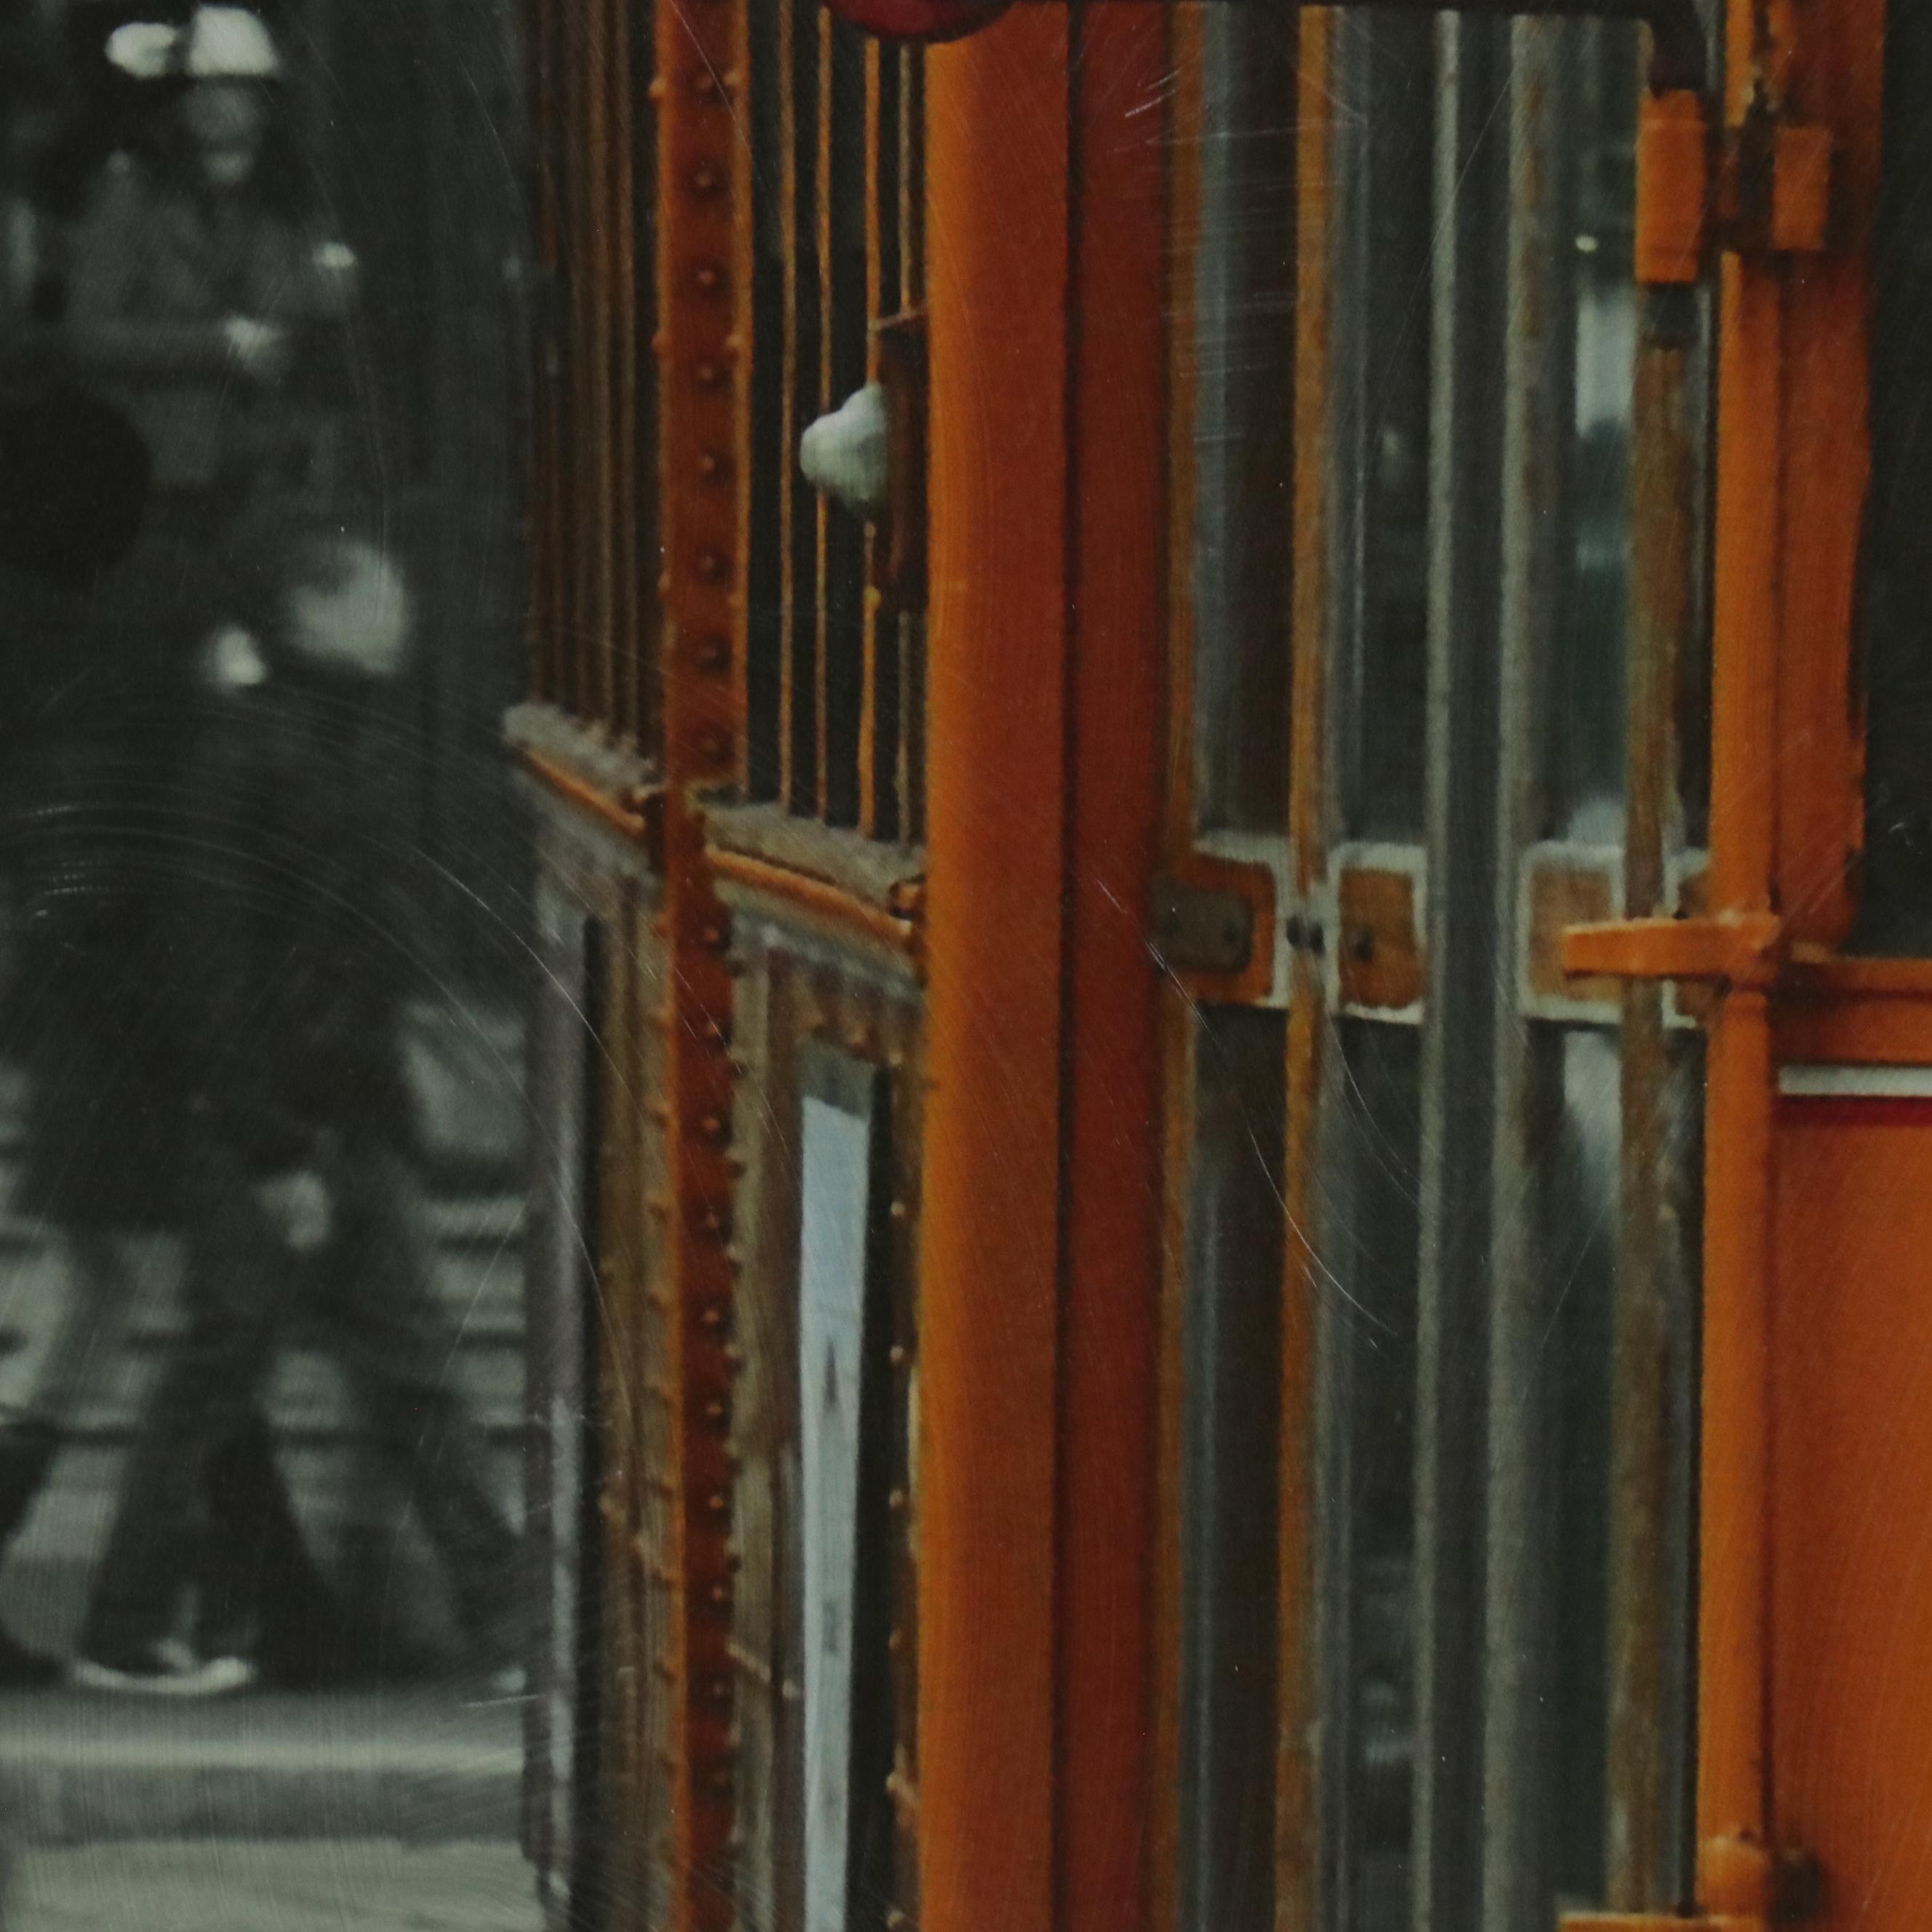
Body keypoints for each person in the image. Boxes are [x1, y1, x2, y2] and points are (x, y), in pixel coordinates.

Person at [0, 4, 357, 1691]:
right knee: (167, 1300)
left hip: (114, 1018)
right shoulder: (145, 648)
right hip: (137, 1026)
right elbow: (112, 340)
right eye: (207, 95)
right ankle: (170, 1601)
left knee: (125, 1301)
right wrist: (230, 343)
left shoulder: (275, 224)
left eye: (242, 99)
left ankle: (233, 1589)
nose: (226, 121)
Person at [70, 514, 524, 1694]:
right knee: (256, 1370)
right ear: (317, 610)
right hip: (284, 1125)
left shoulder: (295, 743)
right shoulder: (276, 753)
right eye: (377, 593)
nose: (403, 614)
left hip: (321, 1118)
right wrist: (274, 1142)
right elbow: (220, 967)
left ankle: (509, 1618)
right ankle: (126, 1625)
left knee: (331, 1365)